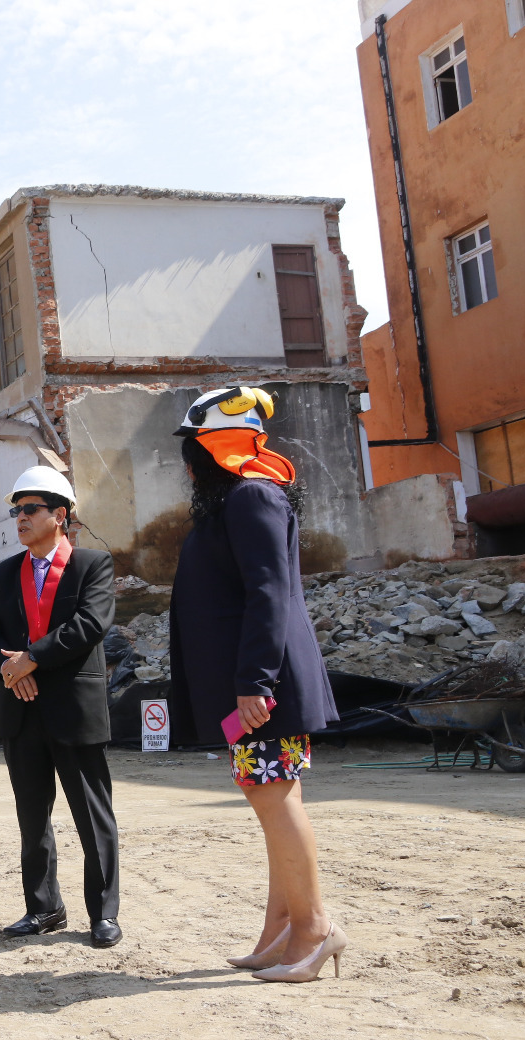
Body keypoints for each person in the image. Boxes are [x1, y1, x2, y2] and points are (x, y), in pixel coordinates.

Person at [169, 386, 346, 982]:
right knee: (268, 793)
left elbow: (269, 592)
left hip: (263, 685)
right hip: (253, 683)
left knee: (273, 794)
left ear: (208, 450)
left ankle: (314, 929)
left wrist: (254, 682)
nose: (185, 465)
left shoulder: (251, 496)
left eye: (190, 450)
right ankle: (282, 927)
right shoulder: (240, 499)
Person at [0, 465, 122, 949]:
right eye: (16, 511)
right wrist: (9, 670)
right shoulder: (6, 573)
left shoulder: (92, 565)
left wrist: (30, 660)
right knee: (32, 816)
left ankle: (103, 913)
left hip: (73, 709)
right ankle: (43, 907)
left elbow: (90, 624)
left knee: (91, 815)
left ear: (59, 516)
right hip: (20, 710)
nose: (20, 518)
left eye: (30, 509)